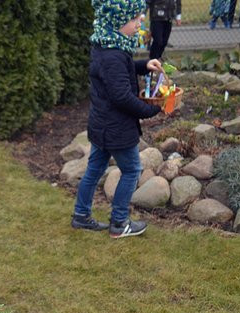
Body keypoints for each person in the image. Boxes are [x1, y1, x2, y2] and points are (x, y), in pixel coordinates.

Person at [70, 0, 165, 238]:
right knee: (132, 170)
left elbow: (120, 71)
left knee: (94, 168)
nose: (139, 22)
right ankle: (119, 222)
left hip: (103, 125)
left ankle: (81, 216)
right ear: (116, 23)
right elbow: (121, 96)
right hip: (116, 128)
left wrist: (144, 66)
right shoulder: (113, 55)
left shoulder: (108, 46)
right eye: (134, 20)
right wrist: (152, 110)